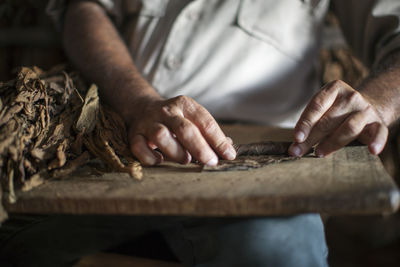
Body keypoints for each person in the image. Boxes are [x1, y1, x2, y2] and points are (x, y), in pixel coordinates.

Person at [1, 0, 399, 266]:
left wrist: (377, 102)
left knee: (279, 253)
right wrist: (138, 101)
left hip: (261, 168)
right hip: (114, 141)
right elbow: (83, 8)